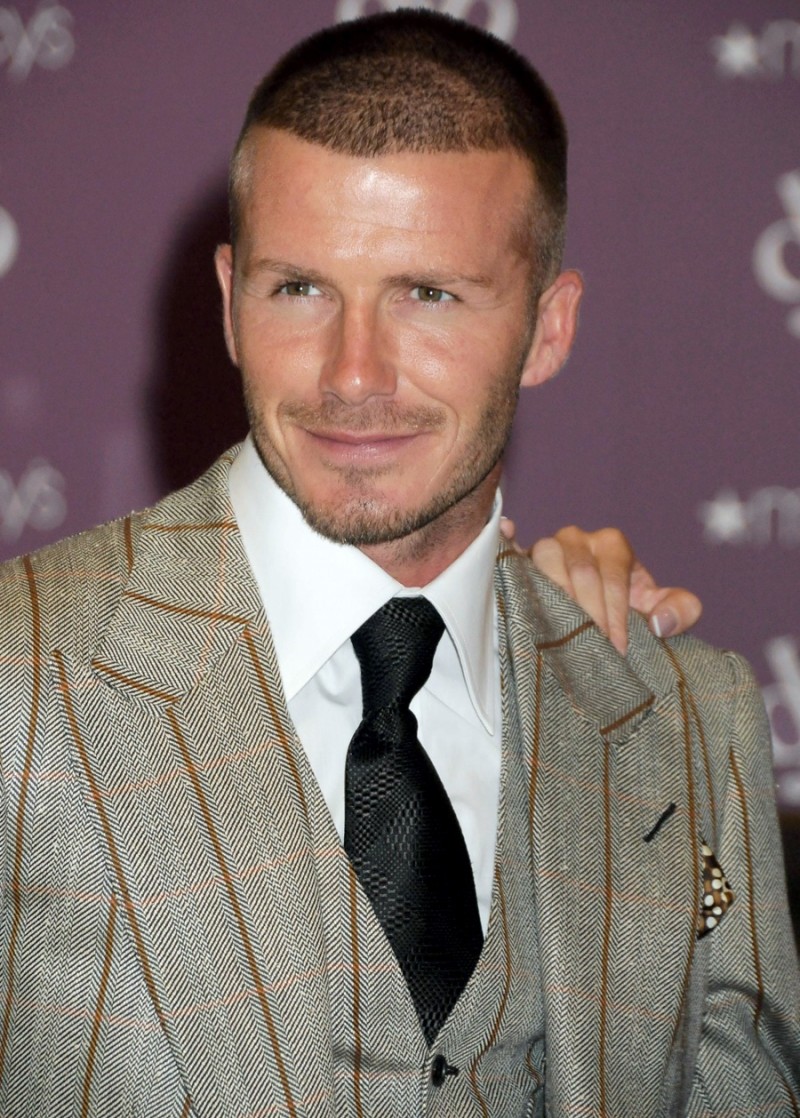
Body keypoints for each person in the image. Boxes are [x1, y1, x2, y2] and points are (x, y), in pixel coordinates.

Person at [0, 9, 796, 1116]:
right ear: (228, 302)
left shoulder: (685, 720)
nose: (353, 375)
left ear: (548, 326)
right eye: (299, 288)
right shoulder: (22, 676)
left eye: (427, 294)